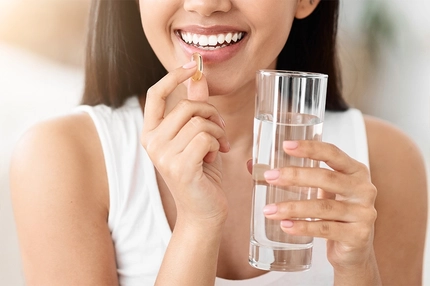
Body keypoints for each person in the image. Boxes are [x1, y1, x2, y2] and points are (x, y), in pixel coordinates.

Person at [10, 0, 427, 285]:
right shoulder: (63, 159)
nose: (206, 3)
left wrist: (357, 270)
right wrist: (197, 226)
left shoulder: (386, 162)